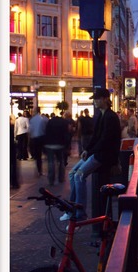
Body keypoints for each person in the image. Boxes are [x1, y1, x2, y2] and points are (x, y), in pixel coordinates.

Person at [60, 88, 121, 221]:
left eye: (97, 98)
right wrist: (87, 150)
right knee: (72, 174)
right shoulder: (101, 115)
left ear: (105, 99)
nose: (95, 101)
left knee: (79, 176)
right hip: (97, 152)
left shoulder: (110, 116)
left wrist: (90, 151)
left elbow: (105, 139)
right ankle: (71, 209)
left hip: (104, 155)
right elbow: (95, 137)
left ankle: (80, 212)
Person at [43, 113, 71, 186]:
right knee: (61, 161)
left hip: (49, 144)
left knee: (51, 162)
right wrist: (67, 146)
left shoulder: (49, 122)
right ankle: (61, 178)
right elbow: (67, 135)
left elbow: (45, 133)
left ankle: (51, 180)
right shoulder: (64, 123)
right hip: (60, 145)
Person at [28, 107, 48, 176]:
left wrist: (29, 139)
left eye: (33, 111)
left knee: (38, 155)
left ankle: (39, 169)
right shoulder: (42, 119)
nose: (32, 112)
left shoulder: (32, 120)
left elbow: (30, 131)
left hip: (34, 139)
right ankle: (42, 169)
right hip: (42, 138)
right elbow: (45, 129)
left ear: (35, 111)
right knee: (44, 153)